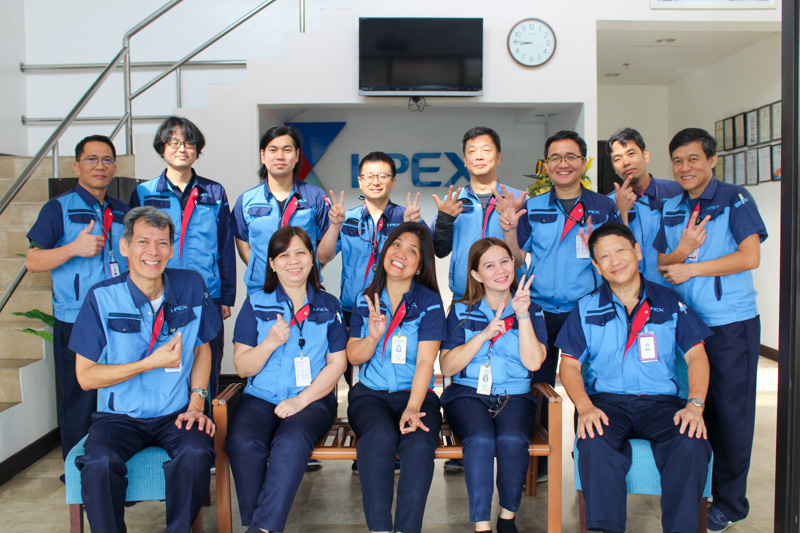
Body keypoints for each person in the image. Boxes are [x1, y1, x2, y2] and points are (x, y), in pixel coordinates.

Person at [71, 207, 221, 533]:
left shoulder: (191, 286)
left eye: (162, 243)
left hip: (175, 413)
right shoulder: (101, 297)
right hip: (118, 417)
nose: (153, 252)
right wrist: (149, 363)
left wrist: (197, 402)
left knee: (197, 452)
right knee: (98, 464)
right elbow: (86, 376)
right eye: (143, 242)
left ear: (171, 249)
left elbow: (201, 348)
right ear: (125, 246)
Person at [557, 222, 712, 533]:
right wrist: (585, 407)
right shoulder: (586, 307)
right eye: (604, 256)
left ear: (637, 252)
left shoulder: (670, 302)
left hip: (661, 404)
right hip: (607, 403)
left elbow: (696, 356)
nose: (615, 261)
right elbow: (569, 365)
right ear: (596, 266)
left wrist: (695, 405)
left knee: (691, 442)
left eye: (621, 251)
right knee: (593, 441)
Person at [654, 128, 767, 531]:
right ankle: (697, 491)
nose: (684, 168)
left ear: (712, 160)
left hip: (729, 323)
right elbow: (664, 263)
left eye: (693, 159)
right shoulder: (671, 206)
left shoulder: (734, 198)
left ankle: (730, 503)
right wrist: (682, 252)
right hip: (685, 324)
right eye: (677, 161)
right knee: (693, 409)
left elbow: (750, 257)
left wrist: (693, 268)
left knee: (732, 415)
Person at [226, 225, 347, 533]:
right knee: (242, 442)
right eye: (283, 255)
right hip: (261, 398)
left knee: (291, 442)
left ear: (312, 259)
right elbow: (242, 368)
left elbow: (337, 363)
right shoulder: (254, 304)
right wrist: (269, 343)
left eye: (300, 253)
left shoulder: (329, 305)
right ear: (272, 263)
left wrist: (300, 400)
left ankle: (262, 528)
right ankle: (260, 526)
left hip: (312, 399)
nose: (293, 261)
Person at [25, 134, 130, 461]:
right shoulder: (58, 208)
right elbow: (33, 261)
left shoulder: (123, 212)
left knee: (117, 392)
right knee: (78, 398)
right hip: (75, 319)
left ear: (114, 168)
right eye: (91, 159)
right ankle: (76, 472)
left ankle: (111, 466)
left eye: (107, 160)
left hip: (118, 318)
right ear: (76, 166)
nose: (100, 166)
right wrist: (73, 248)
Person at [439, 238, 548, 533]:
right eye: (489, 265)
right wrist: (483, 335)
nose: (500, 270)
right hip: (468, 394)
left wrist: (522, 314)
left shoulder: (533, 309)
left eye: (505, 261)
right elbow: (447, 367)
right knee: (481, 438)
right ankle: (482, 525)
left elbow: (534, 363)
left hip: (515, 396)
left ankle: (507, 517)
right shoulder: (460, 310)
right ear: (476, 274)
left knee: (512, 439)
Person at [499, 130, 619, 391]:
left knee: (589, 383)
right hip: (541, 309)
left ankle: (585, 420)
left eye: (570, 157)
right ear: (546, 164)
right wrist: (509, 230)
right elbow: (517, 260)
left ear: (583, 162)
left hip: (586, 308)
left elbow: (618, 258)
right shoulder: (533, 207)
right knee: (538, 383)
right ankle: (541, 420)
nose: (563, 164)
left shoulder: (603, 207)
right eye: (555, 158)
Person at [346, 222, 445, 533]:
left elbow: (426, 361)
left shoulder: (429, 302)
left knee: (418, 444)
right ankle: (379, 528)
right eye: (397, 244)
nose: (401, 253)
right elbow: (353, 357)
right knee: (378, 437)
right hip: (370, 396)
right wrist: (372, 337)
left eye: (413, 251)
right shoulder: (365, 299)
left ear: (420, 266)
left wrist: (413, 407)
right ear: (385, 250)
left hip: (416, 395)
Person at [129, 116, 236, 402]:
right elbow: (132, 245)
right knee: (162, 359)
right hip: (157, 291)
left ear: (197, 150)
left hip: (206, 292)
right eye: (174, 142)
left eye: (189, 143)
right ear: (162, 148)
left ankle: (206, 419)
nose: (182, 149)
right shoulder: (144, 192)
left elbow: (225, 246)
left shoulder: (214, 192)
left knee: (208, 358)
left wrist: (226, 297)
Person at [317, 151, 423, 326]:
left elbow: (425, 259)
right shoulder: (346, 218)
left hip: (396, 308)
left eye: (383, 176)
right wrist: (335, 225)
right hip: (352, 309)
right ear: (360, 181)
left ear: (393, 181)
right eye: (369, 176)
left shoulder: (408, 217)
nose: (375, 182)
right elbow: (323, 257)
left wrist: (411, 228)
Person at [233, 124, 332, 295]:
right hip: (261, 289)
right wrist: (269, 272)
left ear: (297, 155)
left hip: (304, 289)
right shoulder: (246, 200)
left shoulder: (316, 197)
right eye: (273, 150)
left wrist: (306, 271)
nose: (280, 156)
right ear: (263, 156)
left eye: (287, 150)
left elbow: (327, 245)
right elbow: (243, 244)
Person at [431, 126, 527, 301]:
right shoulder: (452, 201)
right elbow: (440, 250)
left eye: (486, 150)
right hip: (464, 296)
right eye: (472, 151)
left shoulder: (517, 200)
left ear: (498, 157)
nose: (479, 156)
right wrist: (444, 220)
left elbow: (520, 257)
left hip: (510, 297)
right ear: (465, 160)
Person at [606, 127, 683, 287]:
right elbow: (609, 252)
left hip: (673, 287)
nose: (626, 162)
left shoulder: (677, 192)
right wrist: (621, 212)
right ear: (613, 167)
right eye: (617, 159)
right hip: (632, 291)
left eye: (631, 153)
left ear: (645, 155)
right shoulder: (608, 203)